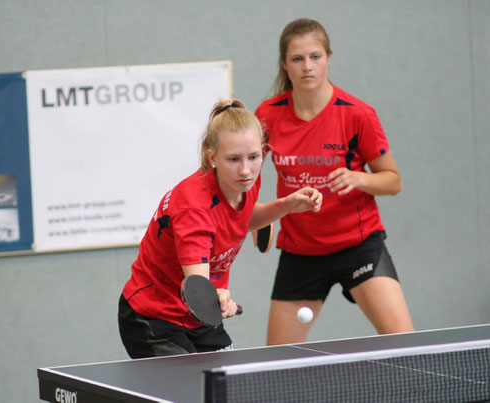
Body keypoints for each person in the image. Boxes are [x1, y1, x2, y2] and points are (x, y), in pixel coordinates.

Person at [118, 99, 322, 358]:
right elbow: (196, 287)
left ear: (263, 151)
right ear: (212, 157)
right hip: (154, 317)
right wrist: (218, 296)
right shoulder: (194, 209)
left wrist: (285, 206)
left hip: (201, 317)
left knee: (228, 385)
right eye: (234, 159)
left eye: (254, 157)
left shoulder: (244, 183)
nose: (246, 170)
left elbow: (241, 219)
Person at [255, 18, 414, 345]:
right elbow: (249, 173)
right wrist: (260, 215)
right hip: (301, 252)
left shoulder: (357, 114)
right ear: (285, 65)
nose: (307, 67)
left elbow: (393, 181)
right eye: (297, 59)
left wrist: (359, 178)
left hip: (358, 247)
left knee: (405, 346)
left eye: (315, 57)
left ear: (328, 58)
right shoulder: (268, 115)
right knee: (273, 365)